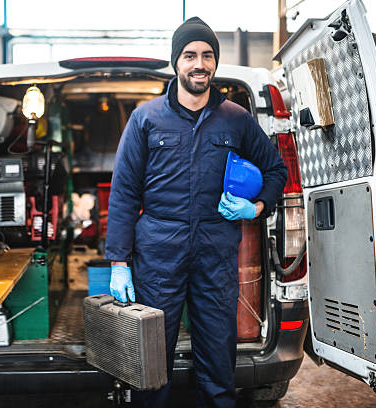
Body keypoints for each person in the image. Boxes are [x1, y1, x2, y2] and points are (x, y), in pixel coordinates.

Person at [105, 17, 288, 407]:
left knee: (218, 358)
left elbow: (277, 170)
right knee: (150, 358)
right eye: (190, 55)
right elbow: (123, 193)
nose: (199, 63)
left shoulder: (235, 119)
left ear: (215, 64)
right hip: (158, 252)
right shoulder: (146, 118)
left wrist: (255, 206)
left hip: (215, 250)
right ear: (176, 62)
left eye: (207, 55)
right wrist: (119, 261)